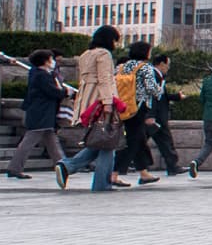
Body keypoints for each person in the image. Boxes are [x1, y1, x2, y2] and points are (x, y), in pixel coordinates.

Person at [56, 27, 124, 191]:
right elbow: (105, 78)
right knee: (108, 141)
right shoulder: (103, 54)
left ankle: (68, 166)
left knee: (100, 140)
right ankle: (101, 183)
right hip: (101, 99)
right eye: (115, 39)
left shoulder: (86, 55)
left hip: (87, 101)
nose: (116, 43)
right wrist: (108, 102)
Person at [4, 49, 66, 180]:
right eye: (51, 59)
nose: (53, 62)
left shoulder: (36, 73)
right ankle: (14, 168)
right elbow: (53, 92)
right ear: (45, 61)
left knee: (52, 142)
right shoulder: (42, 76)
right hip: (41, 113)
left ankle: (64, 166)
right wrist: (66, 92)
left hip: (43, 113)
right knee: (29, 141)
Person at [115, 41, 165, 183]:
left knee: (139, 138)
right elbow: (151, 88)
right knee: (133, 140)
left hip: (123, 106)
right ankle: (114, 172)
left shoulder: (121, 67)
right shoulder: (146, 68)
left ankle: (143, 172)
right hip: (139, 107)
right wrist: (160, 90)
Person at [145, 50, 182, 176]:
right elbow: (153, 97)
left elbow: (162, 96)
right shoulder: (154, 76)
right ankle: (172, 166)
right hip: (156, 116)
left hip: (156, 115)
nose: (168, 68)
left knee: (163, 141)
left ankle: (172, 166)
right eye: (167, 65)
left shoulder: (157, 76)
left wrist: (176, 97)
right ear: (161, 64)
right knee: (164, 141)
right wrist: (150, 115)